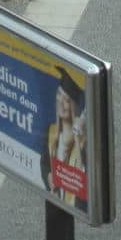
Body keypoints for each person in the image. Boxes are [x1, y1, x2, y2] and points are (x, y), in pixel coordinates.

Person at [43, 68, 87, 208]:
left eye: (66, 100)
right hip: (56, 197)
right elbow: (44, 163)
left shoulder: (83, 142)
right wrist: (49, 176)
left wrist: (78, 138)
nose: (61, 103)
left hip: (76, 204)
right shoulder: (50, 132)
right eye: (59, 96)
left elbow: (87, 180)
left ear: (74, 105)